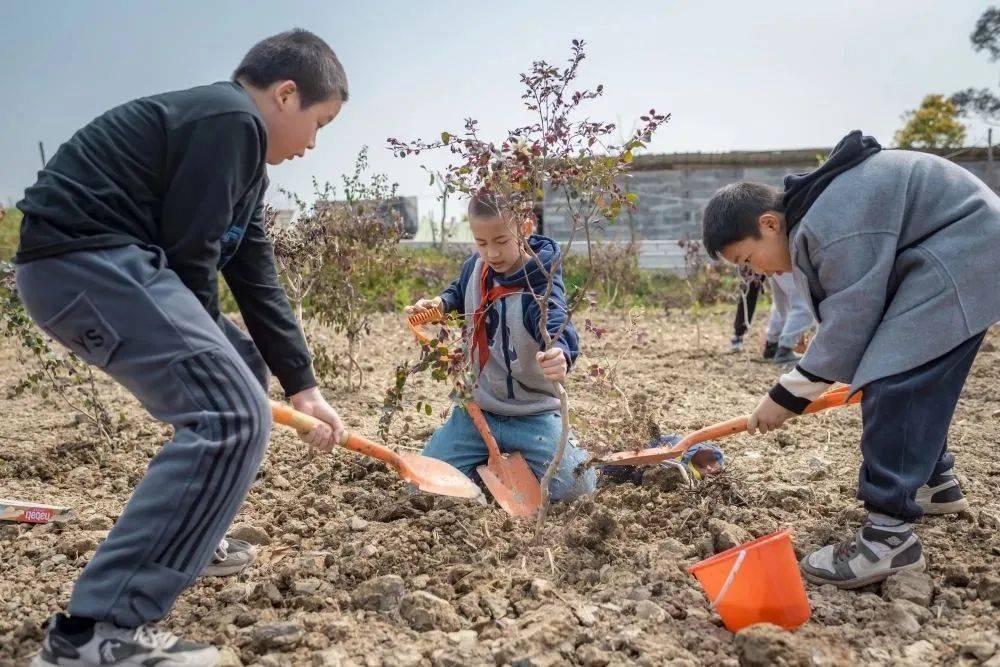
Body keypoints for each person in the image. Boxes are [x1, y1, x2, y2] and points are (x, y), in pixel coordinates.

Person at [17, 29, 348, 665]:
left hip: (106, 267)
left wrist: (302, 384)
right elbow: (189, 255)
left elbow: (252, 272)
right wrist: (213, 363)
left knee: (243, 375)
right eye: (320, 123)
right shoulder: (228, 120)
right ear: (286, 94)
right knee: (229, 414)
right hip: (87, 261)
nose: (312, 144)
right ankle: (95, 633)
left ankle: (190, 544)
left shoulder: (242, 159)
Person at [701, 130, 1000, 589]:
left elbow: (852, 324)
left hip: (964, 250)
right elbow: (852, 315)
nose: (757, 271)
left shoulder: (826, 223)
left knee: (894, 377)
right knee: (902, 372)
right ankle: (933, 484)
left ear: (769, 224)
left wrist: (786, 395)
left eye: (749, 257)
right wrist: (823, 360)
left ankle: (889, 539)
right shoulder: (821, 215)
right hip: (959, 249)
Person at [406, 193, 597, 501]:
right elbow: (458, 290)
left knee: (579, 489)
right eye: (481, 242)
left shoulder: (540, 283)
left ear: (524, 229)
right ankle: (484, 461)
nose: (491, 252)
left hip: (533, 414)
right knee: (420, 487)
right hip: (479, 412)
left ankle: (527, 458)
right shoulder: (476, 268)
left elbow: (557, 320)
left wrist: (561, 352)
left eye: (500, 240)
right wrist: (439, 304)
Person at [761, 272, 814, 364]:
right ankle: (784, 350)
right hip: (788, 261)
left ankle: (772, 346)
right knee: (805, 305)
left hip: (772, 263)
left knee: (782, 304)